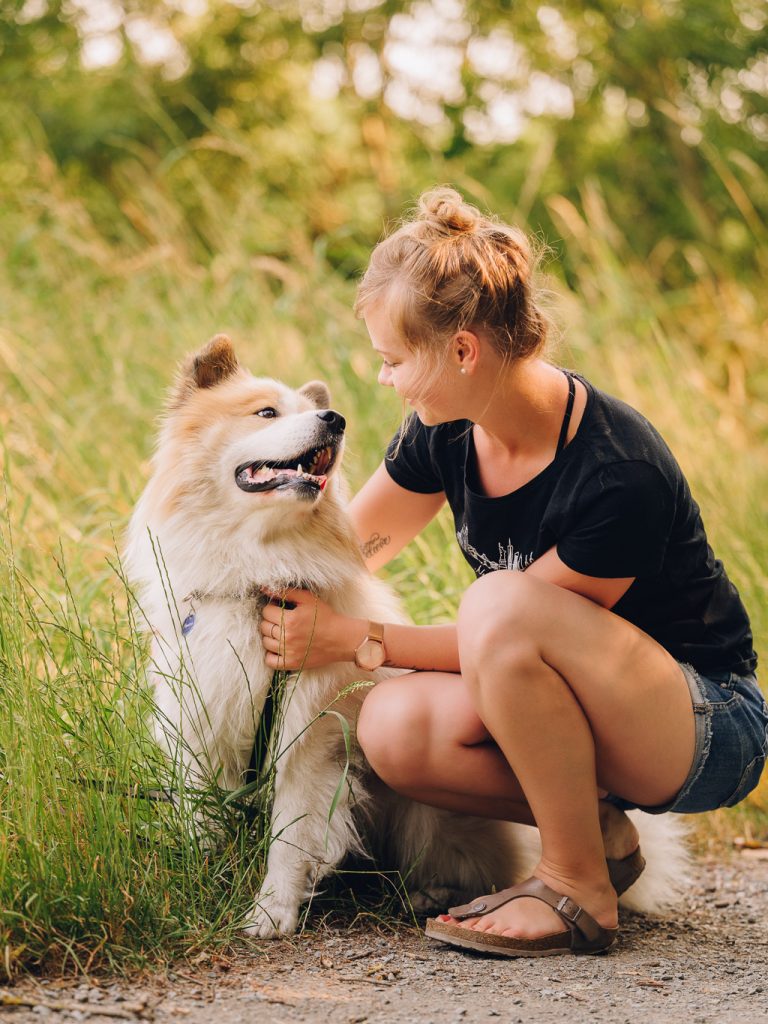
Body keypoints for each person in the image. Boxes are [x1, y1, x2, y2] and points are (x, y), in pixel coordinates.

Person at [259, 187, 766, 957]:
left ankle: (577, 888)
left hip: (702, 723)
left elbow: (497, 635)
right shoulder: (444, 431)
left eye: (394, 361)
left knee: (497, 605)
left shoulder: (616, 468)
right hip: (575, 709)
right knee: (394, 728)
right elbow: (348, 548)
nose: (385, 382)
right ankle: (597, 834)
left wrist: (355, 639)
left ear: (463, 351)